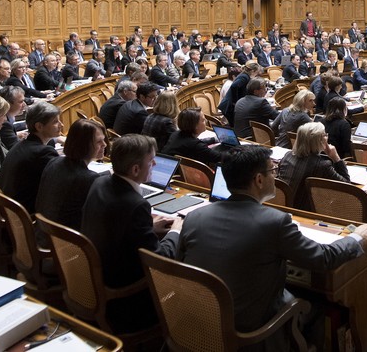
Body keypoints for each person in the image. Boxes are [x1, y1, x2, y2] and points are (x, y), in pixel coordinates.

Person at [178, 145, 367, 350]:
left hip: (198, 322)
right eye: (272, 171)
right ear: (259, 180)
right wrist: (356, 237)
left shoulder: (195, 217)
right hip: (249, 333)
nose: (276, 176)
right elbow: (323, 258)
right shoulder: (274, 222)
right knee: (318, 307)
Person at [81, 134, 182, 333]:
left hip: (97, 277)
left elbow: (114, 225)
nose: (155, 163)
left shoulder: (100, 182)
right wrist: (176, 232)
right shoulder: (135, 205)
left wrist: (148, 229)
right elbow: (159, 260)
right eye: (151, 160)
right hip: (126, 298)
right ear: (135, 169)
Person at [36, 119, 106, 232]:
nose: (104, 144)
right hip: (65, 242)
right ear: (84, 145)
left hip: (43, 233)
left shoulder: (54, 162)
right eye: (99, 141)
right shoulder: (88, 178)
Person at [0, 102, 62, 213]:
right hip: (26, 214)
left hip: (9, 210)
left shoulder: (21, 145)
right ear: (39, 126)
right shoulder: (43, 153)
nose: (61, 125)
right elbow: (61, 183)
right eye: (55, 122)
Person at [278, 122, 352, 211]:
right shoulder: (322, 165)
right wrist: (336, 159)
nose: (327, 136)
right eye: (325, 134)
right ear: (319, 141)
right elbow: (347, 186)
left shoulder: (288, 155)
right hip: (304, 212)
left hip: (282, 206)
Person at [162, 107, 227, 167]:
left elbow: (195, 142)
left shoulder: (176, 134)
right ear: (195, 126)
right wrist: (235, 150)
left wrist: (214, 139)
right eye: (203, 120)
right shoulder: (196, 146)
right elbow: (219, 157)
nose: (206, 121)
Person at [0, 85, 27, 151]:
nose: (24, 104)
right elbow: (16, 150)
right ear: (8, 104)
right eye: (21, 102)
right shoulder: (3, 123)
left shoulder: (6, 117)